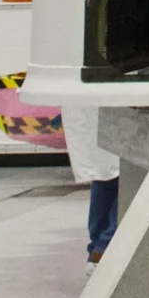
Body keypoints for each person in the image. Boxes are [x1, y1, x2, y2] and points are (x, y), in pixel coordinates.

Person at [59, 101, 119, 261]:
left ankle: (98, 248)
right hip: (113, 102)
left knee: (105, 173)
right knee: (123, 174)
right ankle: (104, 246)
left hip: (90, 107)